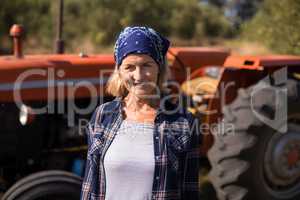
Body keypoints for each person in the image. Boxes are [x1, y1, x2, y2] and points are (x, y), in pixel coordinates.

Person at [81, 26, 201, 200]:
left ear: (159, 68)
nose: (138, 76)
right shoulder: (102, 115)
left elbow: (189, 191)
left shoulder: (183, 122)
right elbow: (89, 184)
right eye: (129, 67)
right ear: (119, 71)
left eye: (146, 65)